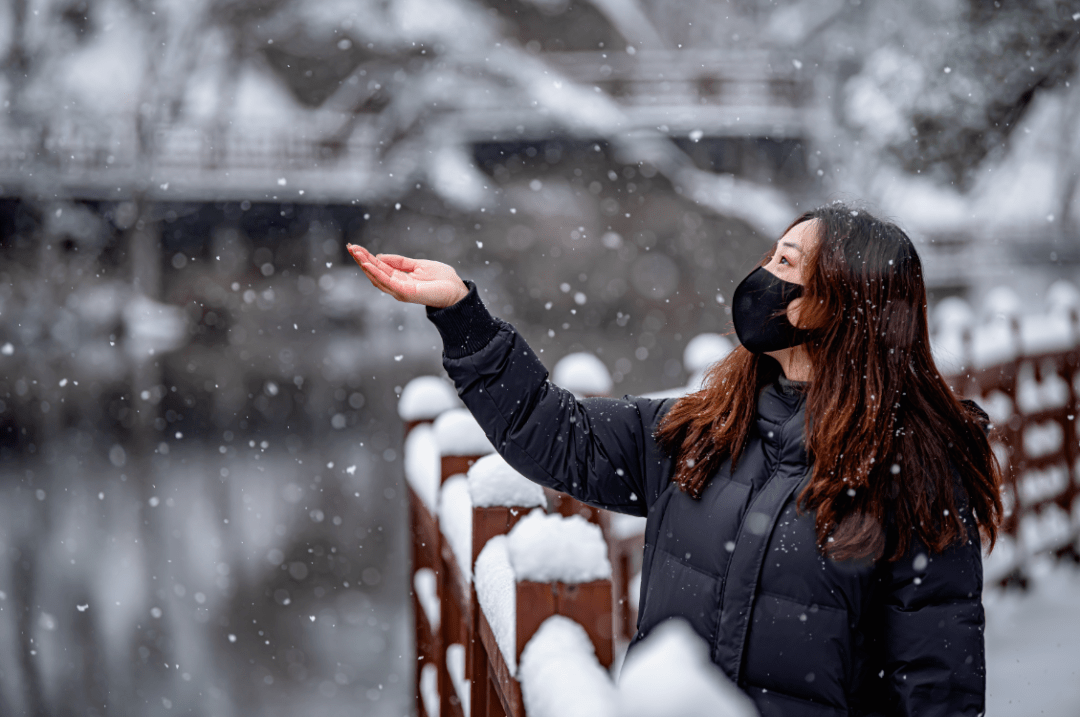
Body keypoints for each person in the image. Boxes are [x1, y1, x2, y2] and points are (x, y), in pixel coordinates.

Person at [348, 204, 1002, 717]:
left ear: (837, 302)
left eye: (785, 262)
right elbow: (555, 431)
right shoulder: (703, 431)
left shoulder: (913, 474)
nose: (762, 277)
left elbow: (937, 689)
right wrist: (463, 316)